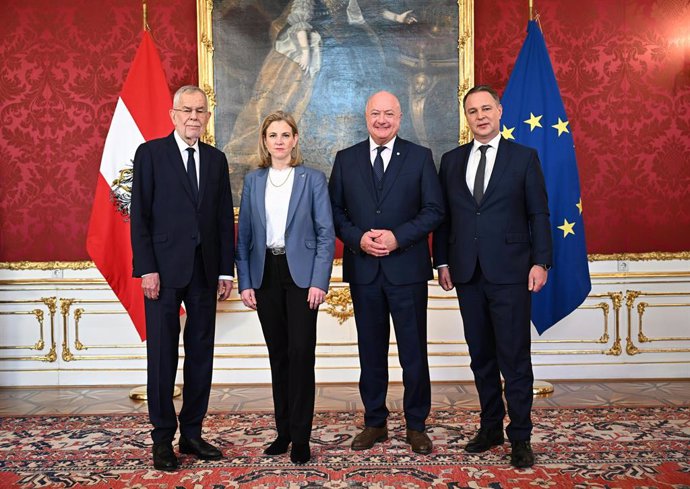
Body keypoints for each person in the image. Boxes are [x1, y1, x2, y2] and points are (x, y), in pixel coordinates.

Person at [432, 85, 552, 468]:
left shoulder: (523, 158)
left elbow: (539, 214)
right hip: (467, 273)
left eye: (487, 108)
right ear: (465, 117)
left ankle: (520, 436)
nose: (480, 116)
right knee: (481, 356)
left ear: (499, 112)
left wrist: (541, 262)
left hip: (513, 272)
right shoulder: (451, 161)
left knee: (514, 357)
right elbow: (445, 218)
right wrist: (442, 262)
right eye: (472, 110)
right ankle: (489, 427)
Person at [329, 90, 444, 454]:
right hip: (364, 271)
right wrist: (359, 239)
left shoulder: (419, 157)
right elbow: (335, 213)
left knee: (414, 353)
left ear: (400, 117)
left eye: (389, 114)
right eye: (376, 113)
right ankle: (374, 422)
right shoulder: (345, 160)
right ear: (366, 116)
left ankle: (416, 425)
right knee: (370, 352)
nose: (382, 120)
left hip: (406, 270)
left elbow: (433, 210)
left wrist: (398, 238)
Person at [130, 85, 235, 471]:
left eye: (200, 110)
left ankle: (192, 432)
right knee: (161, 355)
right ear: (173, 114)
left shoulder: (216, 159)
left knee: (201, 354)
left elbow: (225, 219)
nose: (194, 116)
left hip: (206, 272)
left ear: (208, 116)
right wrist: (148, 268)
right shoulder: (151, 154)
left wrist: (226, 269)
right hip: (163, 271)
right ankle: (162, 438)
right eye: (186, 110)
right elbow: (139, 215)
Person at [236, 111, 335, 464]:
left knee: (300, 355)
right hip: (266, 275)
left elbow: (326, 234)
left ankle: (302, 437)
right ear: (264, 141)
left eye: (285, 134)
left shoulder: (312, 179)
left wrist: (319, 281)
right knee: (278, 356)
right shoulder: (254, 181)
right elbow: (244, 237)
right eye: (272, 135)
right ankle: (284, 432)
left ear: (295, 140)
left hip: (302, 278)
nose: (279, 141)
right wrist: (245, 281)